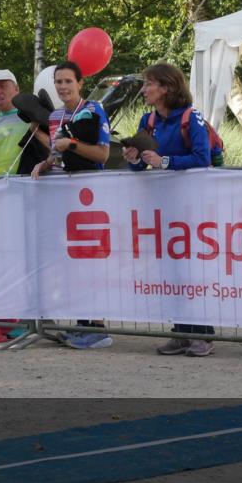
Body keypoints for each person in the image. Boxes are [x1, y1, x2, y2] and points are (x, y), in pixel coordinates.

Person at [123, 63, 215, 357]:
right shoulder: (147, 120)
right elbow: (140, 166)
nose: (144, 89)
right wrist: (133, 158)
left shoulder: (191, 116)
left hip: (193, 208)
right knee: (170, 270)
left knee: (192, 269)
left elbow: (203, 157)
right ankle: (181, 332)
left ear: (166, 87)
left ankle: (203, 334)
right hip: (163, 208)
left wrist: (164, 162)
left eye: (149, 84)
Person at [31, 61, 113, 350]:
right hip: (63, 197)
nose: (63, 87)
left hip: (90, 195)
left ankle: (98, 328)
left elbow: (102, 154)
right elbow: (56, 153)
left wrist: (73, 145)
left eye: (68, 81)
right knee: (72, 262)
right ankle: (81, 323)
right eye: (59, 82)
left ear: (80, 83)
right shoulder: (55, 116)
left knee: (90, 261)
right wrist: (45, 163)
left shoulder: (93, 109)